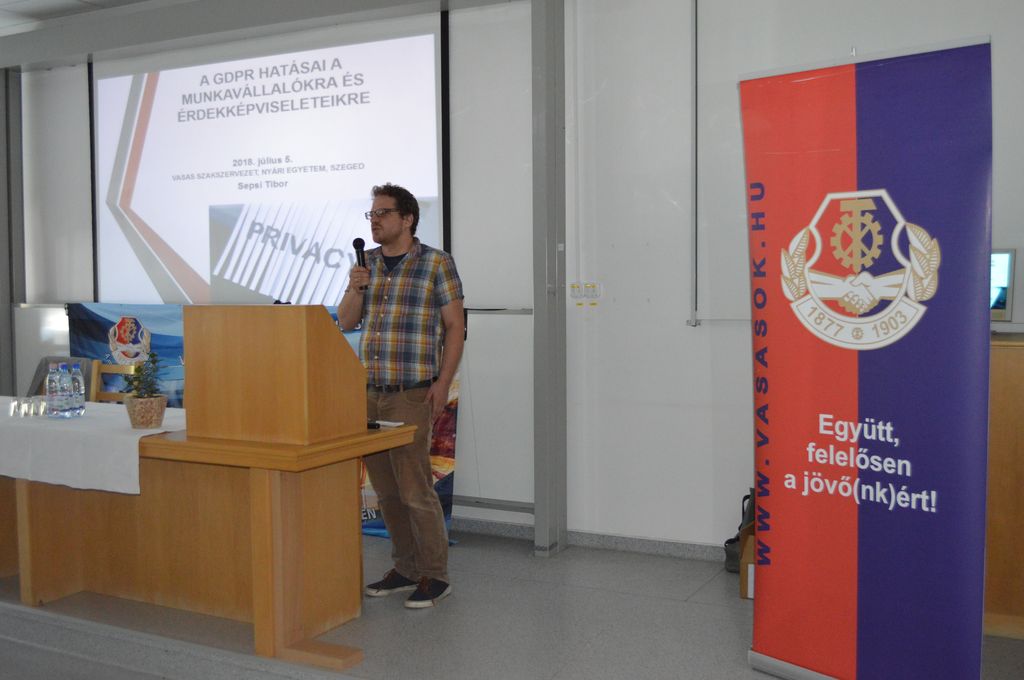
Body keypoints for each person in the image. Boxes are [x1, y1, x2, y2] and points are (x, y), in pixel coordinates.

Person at [338, 183, 465, 609]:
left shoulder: (435, 263)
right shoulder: (367, 265)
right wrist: (355, 288)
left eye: (383, 213)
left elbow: (455, 327)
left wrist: (442, 384)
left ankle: (435, 575)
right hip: (370, 393)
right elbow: (346, 322)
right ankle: (406, 568)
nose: (374, 221)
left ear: (407, 218)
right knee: (387, 492)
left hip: (411, 394)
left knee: (414, 490)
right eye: (371, 214)